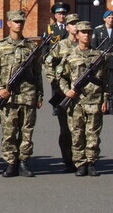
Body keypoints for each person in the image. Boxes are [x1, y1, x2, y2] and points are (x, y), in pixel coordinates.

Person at [0, 10, 43, 177]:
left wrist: (39, 95)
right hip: (8, 96)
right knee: (9, 131)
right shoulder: (1, 45)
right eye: (16, 21)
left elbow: (37, 73)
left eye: (21, 21)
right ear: (9, 23)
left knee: (27, 131)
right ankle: (10, 162)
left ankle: (24, 162)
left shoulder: (31, 47)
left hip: (28, 95)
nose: (19, 24)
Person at [57, 21, 108, 177]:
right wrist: (67, 91)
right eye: (83, 32)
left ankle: (91, 162)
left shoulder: (99, 56)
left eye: (89, 32)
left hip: (94, 100)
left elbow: (105, 80)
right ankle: (80, 163)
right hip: (76, 101)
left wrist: (105, 99)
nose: (86, 35)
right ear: (77, 34)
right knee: (77, 133)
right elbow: (62, 77)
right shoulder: (70, 56)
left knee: (93, 134)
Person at [43, 12, 80, 172]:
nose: (75, 26)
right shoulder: (60, 45)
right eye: (72, 24)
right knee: (65, 129)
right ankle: (67, 159)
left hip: (81, 95)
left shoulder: (85, 45)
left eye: (78, 23)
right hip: (64, 93)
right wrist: (54, 82)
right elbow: (48, 63)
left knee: (81, 129)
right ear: (67, 27)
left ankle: (82, 160)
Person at [91, 10, 113, 114]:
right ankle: (102, 105)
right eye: (109, 18)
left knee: (112, 83)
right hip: (101, 60)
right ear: (104, 19)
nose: (111, 19)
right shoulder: (98, 30)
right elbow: (94, 45)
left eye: (112, 18)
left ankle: (111, 104)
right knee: (101, 83)